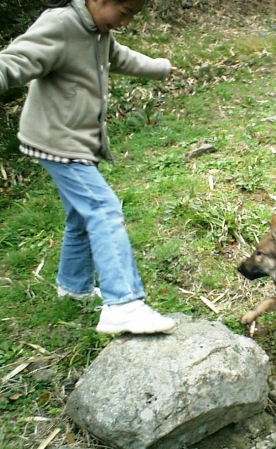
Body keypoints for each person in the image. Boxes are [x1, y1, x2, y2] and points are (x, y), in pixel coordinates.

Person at [0, 0, 176, 334]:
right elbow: (15, 61)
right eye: (123, 14)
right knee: (104, 209)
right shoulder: (61, 24)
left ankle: (73, 286)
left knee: (81, 215)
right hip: (57, 142)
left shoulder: (98, 31)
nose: (124, 23)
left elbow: (120, 56)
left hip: (75, 143)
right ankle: (123, 304)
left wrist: (159, 68)